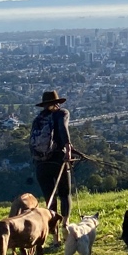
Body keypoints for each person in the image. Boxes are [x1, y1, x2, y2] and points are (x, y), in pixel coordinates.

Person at [30, 90, 77, 221]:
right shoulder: (61, 113)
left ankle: (53, 229)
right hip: (58, 160)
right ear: (57, 103)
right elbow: (63, 129)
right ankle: (65, 224)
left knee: (50, 198)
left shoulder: (38, 119)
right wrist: (68, 149)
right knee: (64, 194)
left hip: (41, 164)